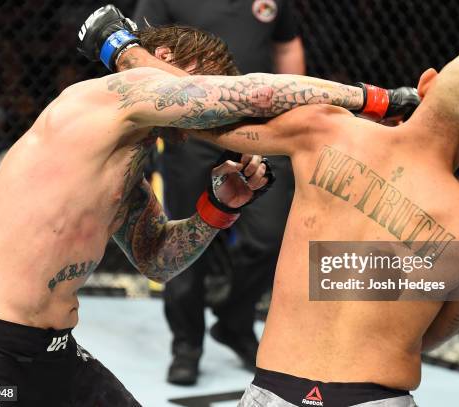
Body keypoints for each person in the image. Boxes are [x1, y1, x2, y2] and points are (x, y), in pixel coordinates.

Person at [0, 5, 418, 406]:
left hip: (55, 351)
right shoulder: (109, 97)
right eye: (207, 79)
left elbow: (156, 259)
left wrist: (218, 207)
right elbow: (251, 95)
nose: (211, 109)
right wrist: (374, 100)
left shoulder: (124, 156)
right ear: (167, 60)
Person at [120, 48, 459, 406]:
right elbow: (445, 324)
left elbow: (204, 108)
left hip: (275, 390)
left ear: (426, 82)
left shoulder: (329, 131)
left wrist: (123, 51)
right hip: (377, 397)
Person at [133, 0, 307, 384]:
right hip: (191, 127)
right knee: (180, 232)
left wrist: (294, 111)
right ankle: (187, 346)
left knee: (271, 235)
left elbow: (286, 44)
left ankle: (233, 320)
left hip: (261, 126)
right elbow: (141, 50)